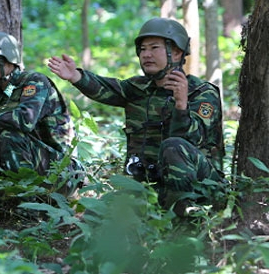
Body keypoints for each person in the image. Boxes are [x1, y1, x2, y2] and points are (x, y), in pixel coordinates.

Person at [47, 17, 226, 216]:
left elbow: (195, 141)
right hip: (149, 187)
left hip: (200, 188)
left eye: (154, 48)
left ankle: (185, 225)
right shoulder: (138, 89)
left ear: (176, 52)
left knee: (174, 146)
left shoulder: (202, 93)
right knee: (95, 219)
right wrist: (75, 76)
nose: (146, 55)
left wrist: (181, 105)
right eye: (142, 49)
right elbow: (106, 87)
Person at [0, 31, 83, 213]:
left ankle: (27, 208)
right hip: (38, 176)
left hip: (64, 172)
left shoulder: (34, 82)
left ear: (8, 61)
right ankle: (21, 201)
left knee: (11, 135)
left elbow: (24, 120)